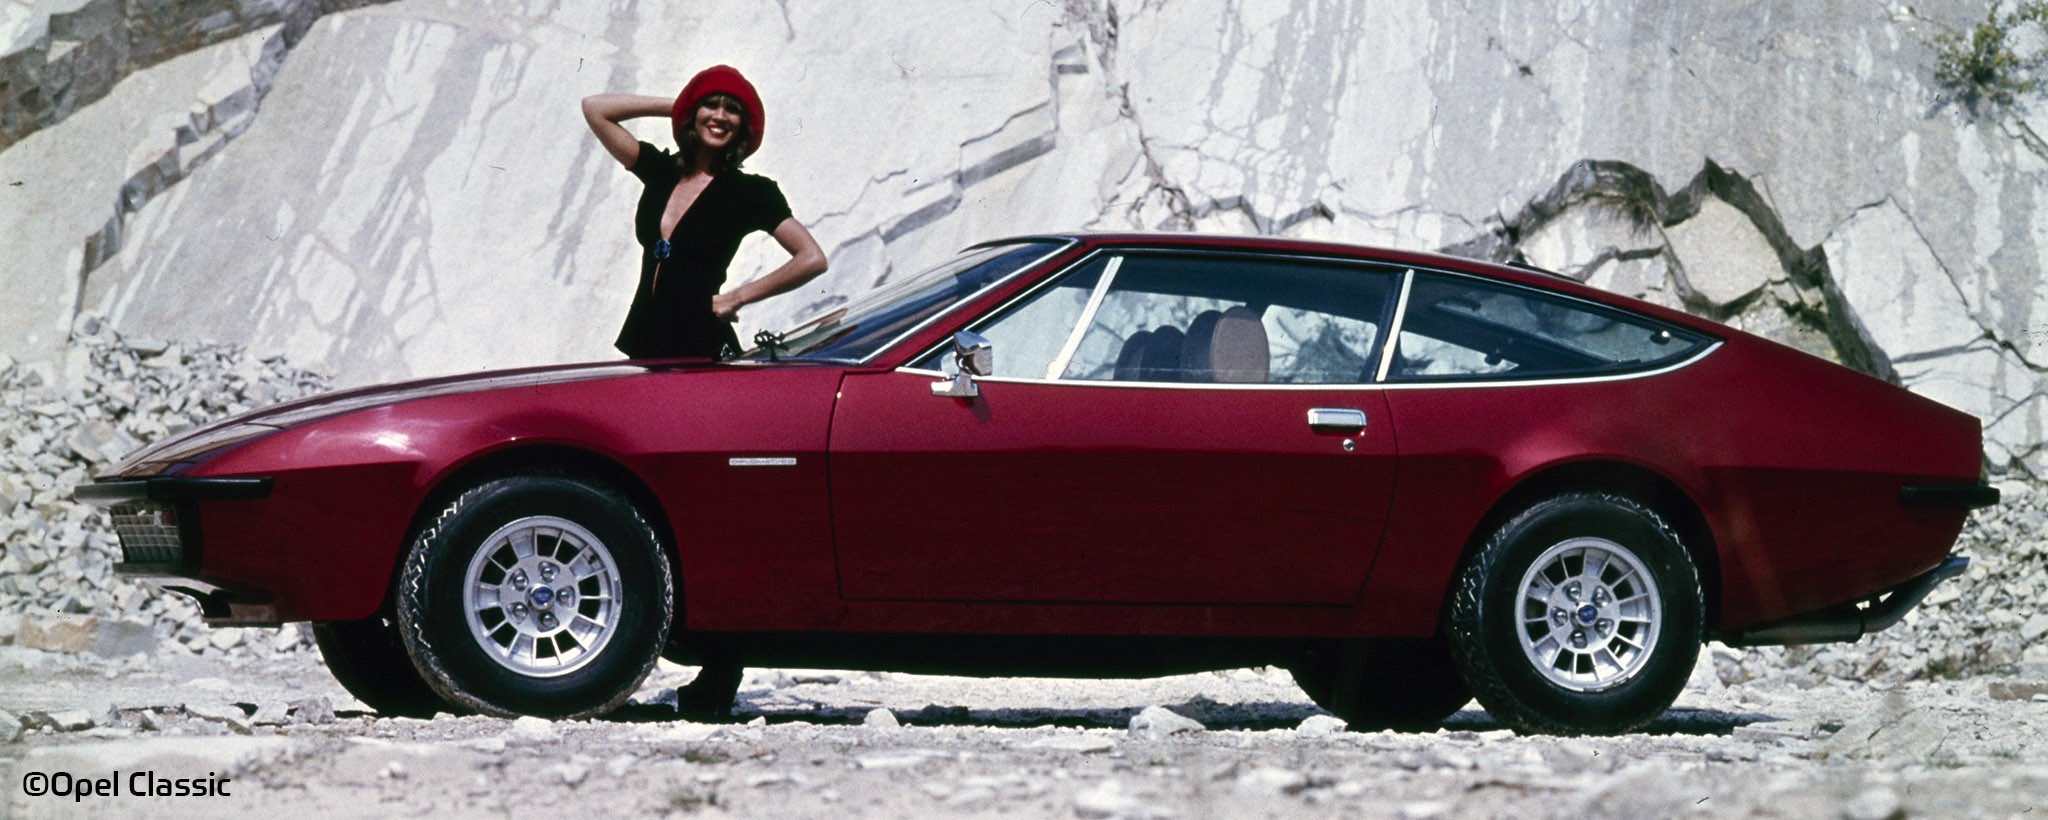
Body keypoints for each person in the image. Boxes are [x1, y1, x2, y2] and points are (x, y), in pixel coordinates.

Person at [582, 65, 828, 359]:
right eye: (710, 105)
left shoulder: (750, 192)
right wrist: (683, 104)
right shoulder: (661, 170)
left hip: (701, 346)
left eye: (732, 109)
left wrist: (738, 297)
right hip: (646, 342)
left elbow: (812, 258)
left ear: (743, 125)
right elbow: (595, 108)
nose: (720, 116)